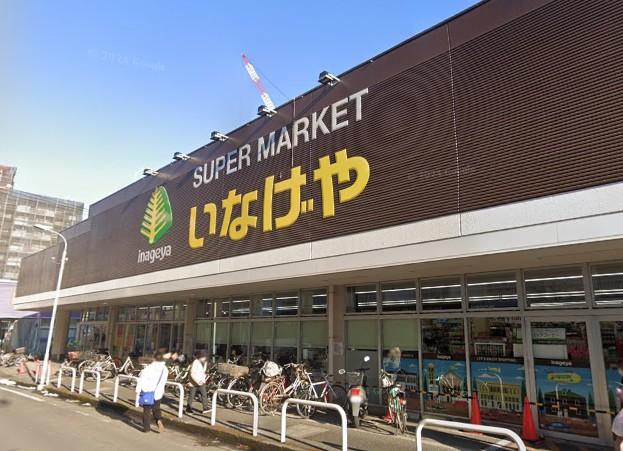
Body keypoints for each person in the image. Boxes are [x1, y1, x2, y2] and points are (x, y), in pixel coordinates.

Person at [136, 351, 168, 433]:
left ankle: (146, 428)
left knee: (147, 410)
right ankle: (159, 421)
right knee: (156, 408)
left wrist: (139, 390)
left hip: (148, 391)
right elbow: (164, 381)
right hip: (159, 392)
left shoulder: (149, 368)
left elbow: (142, 379)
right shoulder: (165, 369)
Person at [186, 350, 210, 414]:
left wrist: (203, 379)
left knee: (204, 394)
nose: (204, 358)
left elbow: (203, 372)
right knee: (192, 395)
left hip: (201, 381)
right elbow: (192, 373)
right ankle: (188, 409)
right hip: (194, 381)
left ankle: (205, 408)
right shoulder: (195, 362)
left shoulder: (205, 362)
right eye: (203, 356)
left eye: (205, 357)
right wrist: (198, 381)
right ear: (200, 356)